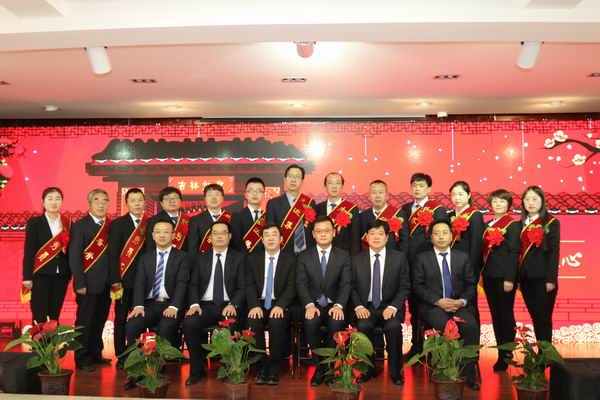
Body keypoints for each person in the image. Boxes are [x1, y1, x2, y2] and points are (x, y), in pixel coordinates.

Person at [412, 219, 481, 390]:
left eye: (445, 233)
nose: (441, 237)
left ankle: (468, 375)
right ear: (431, 238)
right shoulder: (422, 259)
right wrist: (438, 301)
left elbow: (471, 285)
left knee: (471, 327)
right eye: (437, 233)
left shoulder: (462, 257)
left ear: (452, 236)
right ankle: (443, 373)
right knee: (446, 328)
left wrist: (461, 301)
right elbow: (418, 287)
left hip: (459, 305)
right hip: (434, 307)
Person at [124, 218, 191, 390]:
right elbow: (139, 283)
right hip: (149, 305)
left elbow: (182, 283)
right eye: (158, 232)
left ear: (173, 235)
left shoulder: (182, 257)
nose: (162, 235)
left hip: (171, 305)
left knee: (166, 326)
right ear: (153, 235)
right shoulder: (145, 258)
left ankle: (157, 372)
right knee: (132, 325)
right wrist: (138, 306)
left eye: (166, 232)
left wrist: (174, 307)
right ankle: (135, 373)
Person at [182, 221, 246, 386]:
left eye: (223, 233)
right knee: (189, 323)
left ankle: (228, 369)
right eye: (215, 233)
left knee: (231, 324)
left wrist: (233, 304)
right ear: (210, 237)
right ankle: (197, 370)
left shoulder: (239, 258)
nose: (219, 236)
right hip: (205, 306)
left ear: (229, 236)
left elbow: (242, 286)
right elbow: (193, 284)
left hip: (228, 305)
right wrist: (194, 304)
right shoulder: (201, 258)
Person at [351, 219, 410, 385]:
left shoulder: (399, 258)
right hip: (366, 308)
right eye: (372, 234)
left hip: (389, 307)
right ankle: (367, 370)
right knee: (363, 326)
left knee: (393, 327)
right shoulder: (356, 259)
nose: (376, 237)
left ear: (387, 237)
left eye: (380, 234)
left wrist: (393, 306)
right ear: (366, 237)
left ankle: (396, 372)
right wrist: (358, 306)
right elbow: (351, 286)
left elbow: (405, 287)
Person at [296, 215, 352, 387]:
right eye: (319, 231)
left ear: (334, 232)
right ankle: (319, 368)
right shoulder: (304, 256)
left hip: (334, 304)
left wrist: (339, 305)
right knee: (311, 322)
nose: (323, 234)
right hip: (313, 304)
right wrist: (309, 305)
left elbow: (346, 284)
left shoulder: (343, 256)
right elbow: (301, 283)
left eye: (327, 230)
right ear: (313, 234)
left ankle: (329, 367)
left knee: (336, 323)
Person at [400, 172, 447, 359]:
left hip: (429, 267)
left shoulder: (438, 209)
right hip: (409, 266)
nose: (417, 189)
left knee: (430, 308)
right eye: (414, 185)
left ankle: (434, 349)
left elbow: (441, 238)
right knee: (413, 308)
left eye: (421, 185)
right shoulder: (404, 209)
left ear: (429, 189)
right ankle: (417, 347)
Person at [246, 223, 296, 385]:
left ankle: (274, 369)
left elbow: (292, 286)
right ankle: (261, 368)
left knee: (276, 322)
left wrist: (280, 305)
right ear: (262, 240)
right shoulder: (253, 259)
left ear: (281, 239)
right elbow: (249, 284)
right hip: (259, 303)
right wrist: (254, 305)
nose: (270, 238)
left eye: (274, 234)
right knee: (253, 322)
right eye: (266, 235)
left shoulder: (291, 260)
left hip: (280, 303)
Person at [69, 189, 112, 371]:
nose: (101, 204)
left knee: (100, 319)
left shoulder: (110, 226)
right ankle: (81, 357)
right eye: (97, 200)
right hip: (87, 283)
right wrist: (79, 282)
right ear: (89, 203)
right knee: (84, 321)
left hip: (106, 283)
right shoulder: (80, 226)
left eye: (104, 200)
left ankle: (95, 353)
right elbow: (74, 256)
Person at [107, 188, 148, 368]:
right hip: (124, 281)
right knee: (121, 319)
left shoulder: (149, 223)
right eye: (133, 200)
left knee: (141, 319)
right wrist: (115, 280)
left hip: (145, 282)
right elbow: (113, 254)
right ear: (127, 203)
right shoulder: (118, 224)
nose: (137, 204)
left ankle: (140, 353)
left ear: (144, 202)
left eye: (140, 200)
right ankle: (122, 355)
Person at [481, 189, 520, 371]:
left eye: (502, 201)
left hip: (504, 278)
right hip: (489, 276)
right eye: (495, 201)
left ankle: (507, 353)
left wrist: (510, 278)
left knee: (505, 314)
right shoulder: (487, 224)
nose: (498, 204)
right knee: (496, 315)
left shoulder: (512, 225)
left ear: (509, 205)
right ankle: (501, 352)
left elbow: (514, 253)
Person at [22, 187, 71, 323]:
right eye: (50, 199)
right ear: (43, 202)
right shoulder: (34, 223)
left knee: (54, 316)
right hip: (40, 275)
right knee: (39, 316)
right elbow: (29, 251)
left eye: (57, 199)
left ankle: (53, 339)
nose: (54, 202)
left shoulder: (68, 224)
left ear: (62, 202)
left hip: (61, 276)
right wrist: (27, 277)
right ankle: (39, 338)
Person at [519, 186, 560, 345]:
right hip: (525, 279)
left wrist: (551, 279)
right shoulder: (520, 224)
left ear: (542, 201)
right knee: (535, 317)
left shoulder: (550, 222)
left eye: (535, 199)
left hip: (543, 279)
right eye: (527, 199)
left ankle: (546, 355)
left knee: (543, 318)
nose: (530, 203)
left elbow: (554, 252)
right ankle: (540, 355)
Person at [448, 181, 485, 319]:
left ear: (468, 195)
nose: (457, 198)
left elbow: (476, 246)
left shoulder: (475, 215)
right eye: (453, 195)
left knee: (469, 304)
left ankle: (473, 332)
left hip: (467, 268)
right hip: (450, 267)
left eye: (460, 194)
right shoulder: (449, 216)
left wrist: (472, 272)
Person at [266, 164, 317, 254]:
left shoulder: (310, 203)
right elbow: (269, 231)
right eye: (290, 176)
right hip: (284, 254)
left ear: (302, 181)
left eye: (297, 177)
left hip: (307, 254)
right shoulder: (273, 204)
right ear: (285, 179)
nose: (293, 180)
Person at [316, 172, 361, 255]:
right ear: (325, 186)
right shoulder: (318, 208)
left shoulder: (351, 209)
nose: (334, 186)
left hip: (344, 256)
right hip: (321, 255)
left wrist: (354, 259)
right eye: (330, 183)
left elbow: (355, 239)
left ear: (342, 186)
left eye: (337, 183)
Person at [358, 179, 407, 252]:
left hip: (393, 257)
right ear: (369, 196)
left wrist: (400, 258)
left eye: (381, 192)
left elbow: (404, 242)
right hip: (368, 257)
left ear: (387, 196)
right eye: (374, 192)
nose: (377, 196)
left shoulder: (399, 214)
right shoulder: (362, 216)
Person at [188, 183, 232, 253]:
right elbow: (193, 248)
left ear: (222, 198)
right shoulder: (196, 220)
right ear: (205, 199)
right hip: (204, 259)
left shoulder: (231, 218)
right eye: (210, 195)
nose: (213, 197)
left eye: (217, 194)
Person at [147, 187, 190, 252]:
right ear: (161, 203)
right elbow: (150, 245)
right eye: (167, 198)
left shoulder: (189, 220)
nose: (172, 201)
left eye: (175, 198)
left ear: (180, 201)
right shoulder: (153, 221)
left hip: (185, 257)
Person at [231, 177, 266, 254]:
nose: (255, 194)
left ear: (263, 194)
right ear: (245, 195)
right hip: (243, 258)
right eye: (251, 190)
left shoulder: (268, 217)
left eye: (259, 191)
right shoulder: (237, 217)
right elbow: (235, 243)